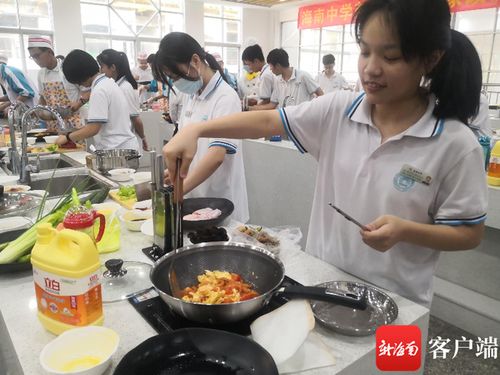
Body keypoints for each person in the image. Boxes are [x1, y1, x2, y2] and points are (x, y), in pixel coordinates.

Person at [163, 0, 488, 309]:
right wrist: (196, 130)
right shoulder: (339, 110)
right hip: (320, 285)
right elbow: (265, 119)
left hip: (398, 304)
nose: (371, 69)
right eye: (364, 52)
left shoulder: (455, 143)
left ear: (430, 59)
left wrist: (405, 230)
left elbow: (468, 233)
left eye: (391, 57)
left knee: (388, 368)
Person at [153, 32, 249, 223]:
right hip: (195, 201)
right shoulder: (192, 96)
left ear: (195, 61)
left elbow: (216, 157)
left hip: (221, 203)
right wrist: (175, 174)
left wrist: (178, 191)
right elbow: (184, 144)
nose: (176, 82)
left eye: (176, 75)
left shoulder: (225, 98)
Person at [56, 49, 139, 152]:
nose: (79, 85)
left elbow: (93, 129)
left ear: (80, 77)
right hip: (123, 147)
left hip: (117, 149)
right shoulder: (107, 83)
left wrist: (67, 137)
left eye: (77, 82)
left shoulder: (99, 90)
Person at [27, 35, 85, 131]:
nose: (35, 60)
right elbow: (42, 97)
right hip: (53, 124)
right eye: (32, 57)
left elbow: (86, 91)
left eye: (37, 56)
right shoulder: (41, 74)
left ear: (49, 52)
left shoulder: (67, 69)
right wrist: (38, 111)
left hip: (74, 122)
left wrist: (77, 104)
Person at [97, 49, 149, 151]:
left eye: (102, 67)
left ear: (112, 67)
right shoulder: (117, 85)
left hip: (124, 143)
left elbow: (135, 118)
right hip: (119, 143)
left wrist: (143, 138)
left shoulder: (124, 88)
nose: (100, 71)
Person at [250, 48, 323, 110]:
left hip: (303, 122)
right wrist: (253, 109)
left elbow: (321, 94)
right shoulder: (278, 81)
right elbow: (272, 104)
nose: (270, 69)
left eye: (271, 66)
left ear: (278, 66)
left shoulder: (303, 76)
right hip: (287, 122)